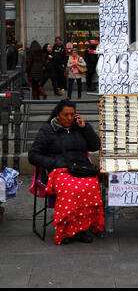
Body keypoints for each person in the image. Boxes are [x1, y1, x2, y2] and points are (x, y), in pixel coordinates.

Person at [28, 99, 104, 245]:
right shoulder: (47, 130)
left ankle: (81, 229)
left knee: (92, 184)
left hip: (80, 169)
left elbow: (95, 146)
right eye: (66, 115)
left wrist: (85, 127)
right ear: (58, 115)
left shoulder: (79, 128)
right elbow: (33, 155)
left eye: (72, 114)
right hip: (59, 171)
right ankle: (65, 229)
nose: (69, 118)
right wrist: (53, 164)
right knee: (70, 189)